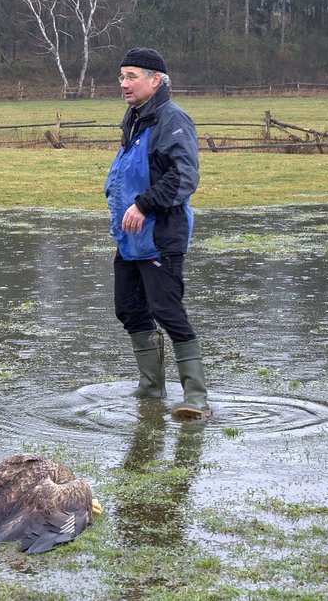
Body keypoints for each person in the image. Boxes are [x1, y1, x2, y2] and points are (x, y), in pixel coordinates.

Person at [104, 47, 211, 420]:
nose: (124, 84)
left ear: (156, 80)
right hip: (130, 236)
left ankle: (196, 397)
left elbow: (184, 177)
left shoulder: (172, 119)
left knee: (167, 310)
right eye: (121, 77)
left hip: (161, 233)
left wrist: (144, 204)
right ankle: (151, 388)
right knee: (129, 310)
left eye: (132, 76)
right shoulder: (135, 119)